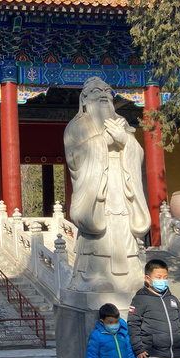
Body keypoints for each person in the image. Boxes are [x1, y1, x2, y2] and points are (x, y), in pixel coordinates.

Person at [63, 77, 151, 293]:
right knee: (99, 234)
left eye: (107, 90)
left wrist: (125, 140)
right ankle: (93, 275)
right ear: (84, 99)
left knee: (122, 228)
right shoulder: (77, 126)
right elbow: (74, 158)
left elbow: (137, 153)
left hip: (120, 186)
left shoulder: (121, 123)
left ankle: (131, 274)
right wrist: (103, 141)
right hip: (98, 190)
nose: (103, 94)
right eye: (96, 91)